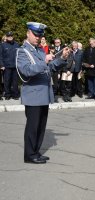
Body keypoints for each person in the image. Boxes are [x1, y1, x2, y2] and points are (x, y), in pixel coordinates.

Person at [16, 22, 70, 164]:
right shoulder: (22, 51)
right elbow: (26, 71)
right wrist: (44, 61)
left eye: (40, 36)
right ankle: (29, 155)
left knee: (41, 126)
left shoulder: (39, 50)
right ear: (28, 33)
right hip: (33, 95)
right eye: (35, 35)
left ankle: (36, 152)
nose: (38, 38)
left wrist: (62, 58)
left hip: (44, 94)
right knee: (33, 127)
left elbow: (50, 67)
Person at [0, 31, 20, 100]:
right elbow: (1, 56)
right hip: (6, 66)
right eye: (8, 36)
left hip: (15, 66)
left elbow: (19, 55)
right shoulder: (3, 45)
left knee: (15, 82)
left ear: (13, 36)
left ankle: (15, 95)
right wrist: (1, 65)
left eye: (11, 36)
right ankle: (7, 95)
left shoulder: (17, 45)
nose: (10, 37)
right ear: (6, 37)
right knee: (7, 81)